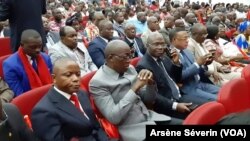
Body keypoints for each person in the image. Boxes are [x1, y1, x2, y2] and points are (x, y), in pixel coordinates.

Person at [89, 40, 181, 141]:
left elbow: (148, 100)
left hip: (149, 118)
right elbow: (114, 117)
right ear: (111, 58)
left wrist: (150, 84)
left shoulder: (130, 69)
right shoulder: (97, 82)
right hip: (133, 129)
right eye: (125, 57)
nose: (129, 60)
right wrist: (134, 89)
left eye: (130, 55)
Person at [31, 58, 110, 141]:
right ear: (54, 78)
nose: (76, 79)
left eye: (78, 74)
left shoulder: (82, 94)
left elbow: (96, 127)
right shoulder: (43, 111)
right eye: (68, 75)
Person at [136, 32, 208, 119]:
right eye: (156, 44)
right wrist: (175, 105)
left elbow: (178, 79)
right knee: (197, 118)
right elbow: (152, 95)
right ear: (147, 45)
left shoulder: (164, 57)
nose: (160, 47)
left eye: (162, 44)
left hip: (179, 96)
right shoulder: (143, 66)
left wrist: (176, 64)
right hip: (166, 106)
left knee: (207, 107)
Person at [169, 29, 220, 101]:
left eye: (187, 38)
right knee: (217, 100)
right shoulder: (170, 55)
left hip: (200, 83)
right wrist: (197, 64)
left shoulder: (186, 51)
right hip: (188, 88)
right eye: (184, 38)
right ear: (174, 39)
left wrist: (204, 64)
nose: (187, 41)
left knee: (224, 93)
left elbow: (196, 69)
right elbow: (179, 76)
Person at [3, 29, 53, 97]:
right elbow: (20, 94)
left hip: (50, 96)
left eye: (40, 46)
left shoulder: (46, 58)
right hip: (29, 101)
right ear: (22, 45)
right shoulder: (10, 65)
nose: (38, 50)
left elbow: (53, 82)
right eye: (33, 47)